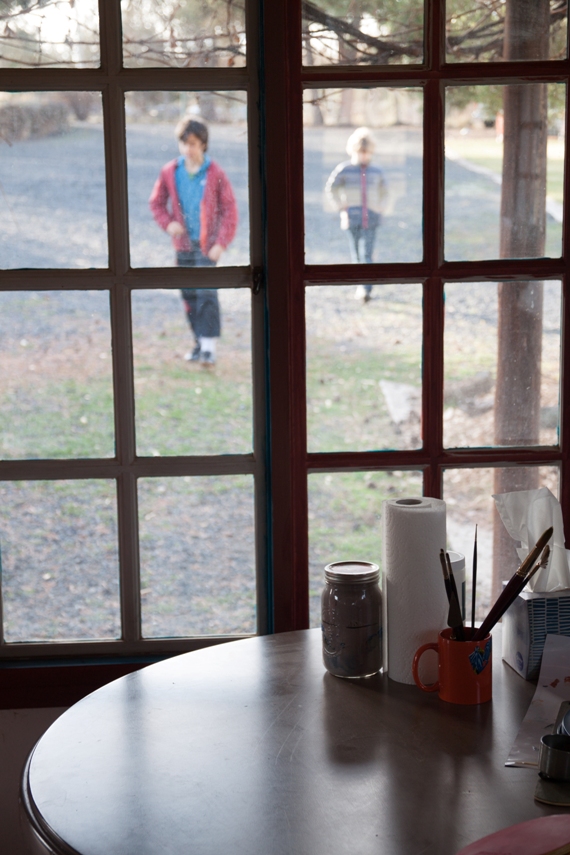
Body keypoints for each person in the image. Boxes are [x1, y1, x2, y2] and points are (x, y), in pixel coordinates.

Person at [149, 116, 238, 366]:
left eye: (195, 143)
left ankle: (210, 347)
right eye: (185, 143)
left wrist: (221, 242)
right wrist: (168, 223)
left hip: (207, 247)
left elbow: (230, 209)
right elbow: (156, 203)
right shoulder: (170, 171)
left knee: (206, 293)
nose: (190, 148)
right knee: (188, 293)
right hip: (183, 244)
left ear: (204, 145)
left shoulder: (215, 172)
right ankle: (199, 342)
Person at [325, 127, 387, 302]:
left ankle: (366, 289)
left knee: (367, 253)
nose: (363, 156)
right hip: (351, 218)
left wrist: (381, 206)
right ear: (353, 150)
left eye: (366, 153)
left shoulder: (376, 171)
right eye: (360, 152)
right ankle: (361, 284)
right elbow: (331, 188)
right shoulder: (344, 169)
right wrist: (340, 206)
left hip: (372, 219)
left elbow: (385, 191)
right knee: (356, 254)